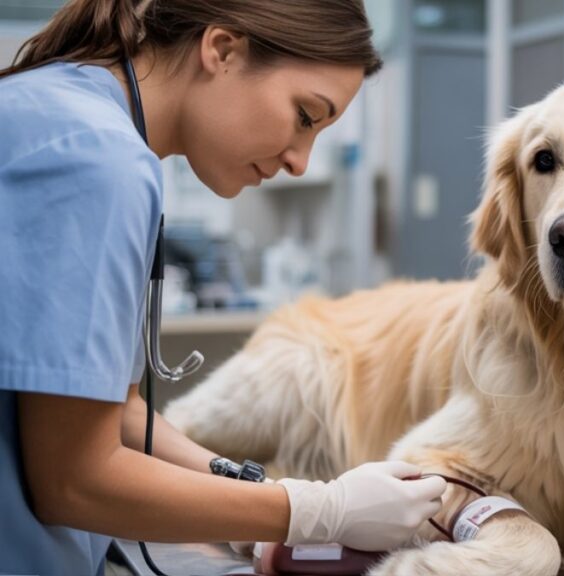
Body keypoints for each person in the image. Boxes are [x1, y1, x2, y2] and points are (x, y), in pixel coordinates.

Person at [0, 1, 447, 574]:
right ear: (223, 50)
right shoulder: (99, 160)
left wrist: (243, 492)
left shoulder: (63, 109)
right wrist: (311, 510)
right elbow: (75, 480)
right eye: (306, 116)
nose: (300, 161)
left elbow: (115, 413)